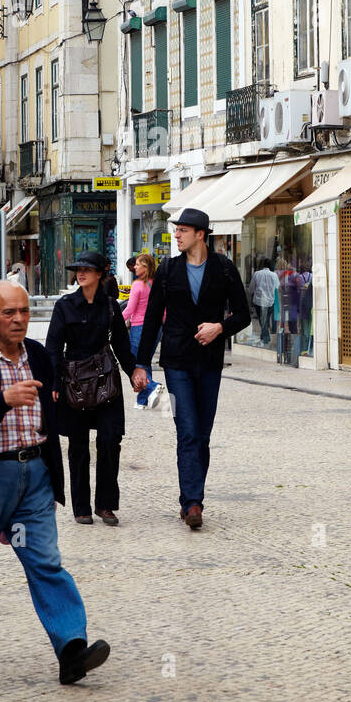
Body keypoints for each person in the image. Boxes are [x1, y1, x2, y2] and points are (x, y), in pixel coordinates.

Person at [0, 280, 110, 684]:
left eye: (24, 312)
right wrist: (1, 400)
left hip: (35, 479)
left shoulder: (41, 358)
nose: (18, 320)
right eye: (9, 312)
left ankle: (71, 651)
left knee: (46, 562)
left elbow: (53, 408)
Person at [135, 208, 250, 528]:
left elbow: (243, 315)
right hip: (176, 362)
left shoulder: (224, 269)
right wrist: (142, 365)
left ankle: (193, 498)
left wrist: (219, 328)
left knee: (202, 435)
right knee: (186, 429)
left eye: (183, 230)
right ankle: (192, 502)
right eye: (177, 230)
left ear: (201, 234)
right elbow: (152, 320)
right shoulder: (169, 270)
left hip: (210, 363)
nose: (177, 235)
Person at [46, 251, 140, 526]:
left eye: (87, 269)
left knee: (110, 441)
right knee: (78, 446)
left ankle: (106, 505)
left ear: (100, 274)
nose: (81, 273)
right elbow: (53, 347)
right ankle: (81, 508)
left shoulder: (111, 306)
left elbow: (122, 346)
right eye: (78, 269)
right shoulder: (64, 306)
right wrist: (53, 383)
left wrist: (134, 373)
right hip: (73, 382)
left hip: (106, 380)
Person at [122, 252, 163, 409]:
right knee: (145, 362)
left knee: (137, 362)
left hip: (139, 327)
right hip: (157, 328)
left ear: (145, 267)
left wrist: (116, 320)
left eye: (138, 264)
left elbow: (130, 309)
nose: (135, 267)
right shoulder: (155, 284)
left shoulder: (137, 285)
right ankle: (142, 401)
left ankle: (152, 386)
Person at [249, 258, 279, 346]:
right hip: (270, 302)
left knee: (263, 321)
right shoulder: (274, 275)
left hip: (258, 301)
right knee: (264, 320)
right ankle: (265, 338)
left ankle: (265, 338)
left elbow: (251, 288)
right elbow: (277, 287)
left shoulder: (256, 274)